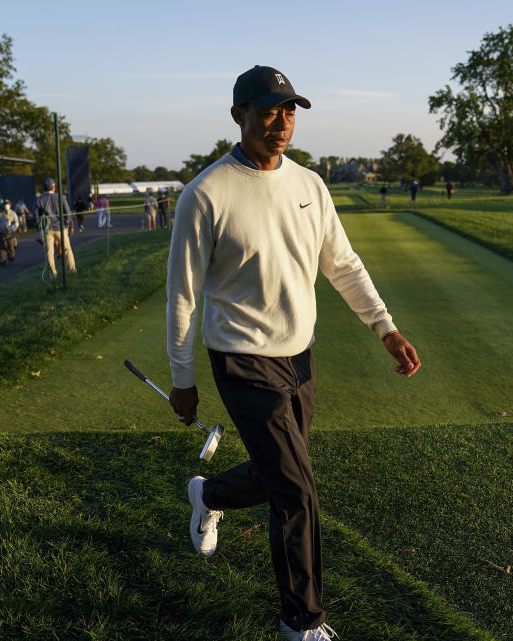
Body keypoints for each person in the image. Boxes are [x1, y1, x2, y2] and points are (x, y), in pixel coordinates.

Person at [167, 65, 420, 641]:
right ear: (239, 116)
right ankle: (300, 623)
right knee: (297, 490)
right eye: (268, 111)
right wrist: (184, 379)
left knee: (281, 475)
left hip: (299, 355)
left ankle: (208, 493)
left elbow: (343, 263)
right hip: (240, 358)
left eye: (289, 111)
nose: (281, 123)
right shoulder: (204, 195)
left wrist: (385, 327)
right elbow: (181, 295)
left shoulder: (310, 185)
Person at [34, 177, 76, 276]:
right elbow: (68, 212)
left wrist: (39, 228)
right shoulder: (60, 197)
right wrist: (66, 225)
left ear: (44, 188)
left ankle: (53, 274)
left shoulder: (39, 199)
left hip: (47, 229)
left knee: (49, 252)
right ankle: (71, 269)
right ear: (53, 187)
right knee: (67, 249)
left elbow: (35, 215)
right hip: (60, 227)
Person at [0, 199, 19, 266]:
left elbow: (16, 223)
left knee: (10, 246)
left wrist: (13, 229)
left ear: (10, 205)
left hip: (10, 233)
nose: (6, 205)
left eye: (7, 204)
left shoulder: (13, 213)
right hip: (0, 232)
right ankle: (3, 260)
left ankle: (11, 256)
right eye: (5, 204)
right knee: (2, 247)